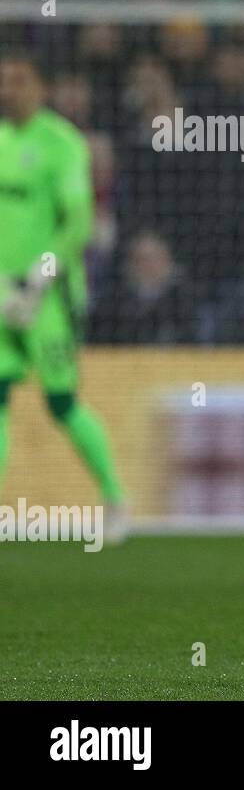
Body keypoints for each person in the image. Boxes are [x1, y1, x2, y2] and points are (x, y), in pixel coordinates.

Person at [0, 56, 127, 541]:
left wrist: (38, 278)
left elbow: (79, 222)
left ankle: (115, 498)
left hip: (46, 295)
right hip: (1, 294)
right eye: (4, 82)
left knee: (61, 401)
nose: (8, 90)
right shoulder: (2, 139)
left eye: (18, 80)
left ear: (40, 86)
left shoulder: (62, 144)